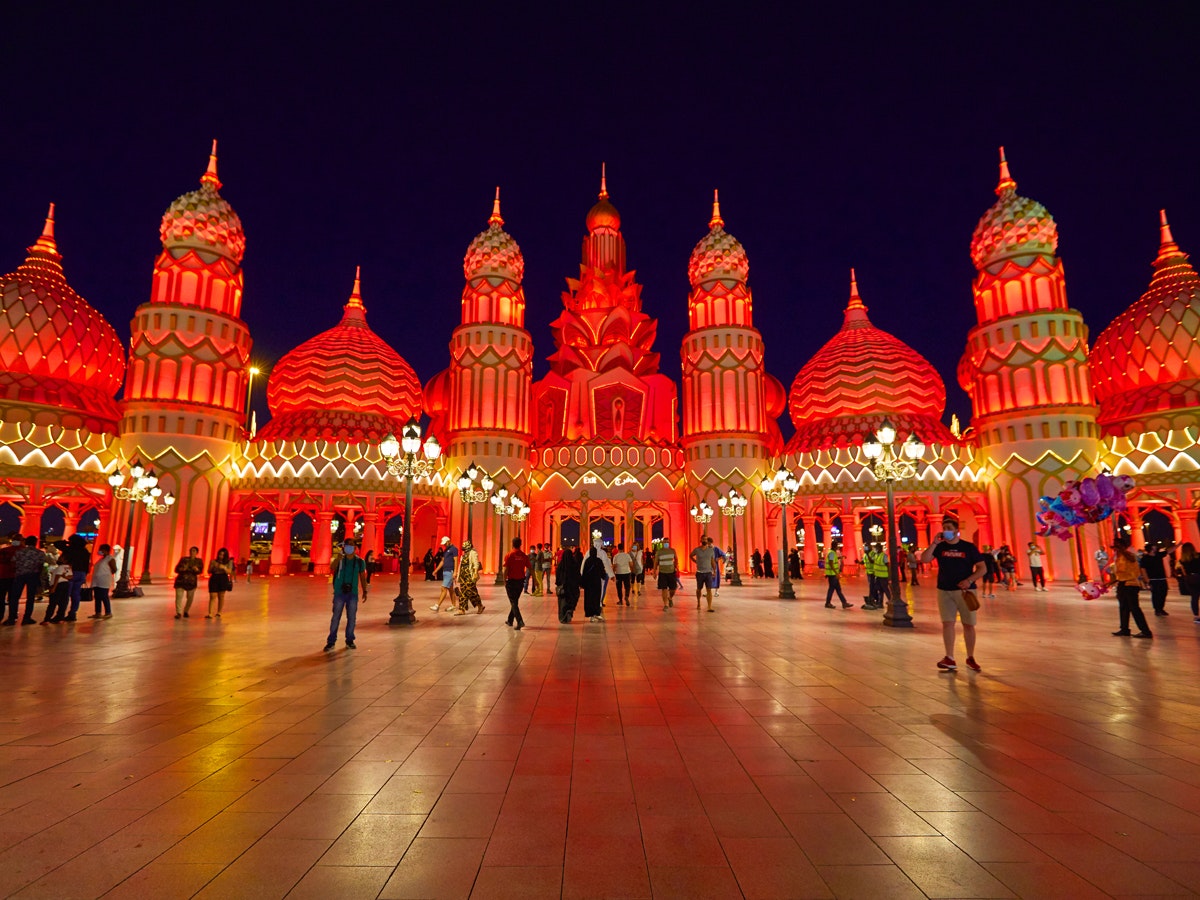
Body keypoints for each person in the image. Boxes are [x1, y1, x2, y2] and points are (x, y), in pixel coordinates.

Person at [922, 516, 988, 672]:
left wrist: (969, 580)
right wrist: (934, 543)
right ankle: (949, 657)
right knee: (947, 623)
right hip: (944, 590)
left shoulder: (968, 547)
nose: (946, 532)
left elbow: (982, 568)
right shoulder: (940, 547)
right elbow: (925, 559)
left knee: (969, 624)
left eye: (949, 529)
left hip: (966, 591)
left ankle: (970, 656)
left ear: (957, 531)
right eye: (944, 529)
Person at [325, 539, 367, 650]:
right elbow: (332, 568)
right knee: (335, 617)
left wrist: (365, 590)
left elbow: (363, 577)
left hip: (353, 593)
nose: (349, 547)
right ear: (344, 547)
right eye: (347, 545)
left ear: (355, 548)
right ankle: (331, 641)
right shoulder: (340, 559)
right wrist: (337, 559)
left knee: (352, 618)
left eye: (352, 545)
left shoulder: (360, 561)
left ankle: (350, 640)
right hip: (339, 592)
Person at [1111, 536, 1152, 638]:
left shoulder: (1129, 556)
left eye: (1116, 547)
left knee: (1134, 608)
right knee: (1123, 608)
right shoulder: (1119, 557)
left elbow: (1130, 569)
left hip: (1131, 584)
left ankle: (1145, 631)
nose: (1114, 549)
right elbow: (1120, 573)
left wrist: (1122, 550)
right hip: (1122, 584)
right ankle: (1124, 629)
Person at [7, 536, 44, 625]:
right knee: (30, 598)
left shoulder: (20, 552)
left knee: (14, 597)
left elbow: (13, 562)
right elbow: (41, 565)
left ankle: (12, 618)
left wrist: (17, 569)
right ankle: (26, 618)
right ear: (35, 542)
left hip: (19, 575)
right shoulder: (39, 553)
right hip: (33, 575)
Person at [1140, 540, 1174, 617]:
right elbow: (1143, 570)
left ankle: (1161, 608)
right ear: (1151, 549)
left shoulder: (1158, 555)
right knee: (1155, 595)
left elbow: (1169, 551)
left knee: (1163, 593)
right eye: (1154, 547)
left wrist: (1179, 544)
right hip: (1153, 580)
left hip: (1162, 578)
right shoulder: (1145, 558)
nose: (1156, 548)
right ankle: (1157, 609)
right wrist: (1147, 580)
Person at [502, 537, 529, 630]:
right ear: (520, 544)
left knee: (513, 602)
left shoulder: (509, 555)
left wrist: (504, 580)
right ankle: (510, 620)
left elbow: (506, 569)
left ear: (512, 544)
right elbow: (530, 568)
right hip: (520, 582)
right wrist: (536, 581)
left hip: (512, 582)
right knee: (515, 601)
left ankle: (520, 621)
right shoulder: (524, 556)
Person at [63, 533, 91, 622]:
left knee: (66, 594)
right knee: (76, 594)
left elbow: (57, 544)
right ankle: (73, 613)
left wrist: (65, 543)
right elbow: (87, 564)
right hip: (81, 573)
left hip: (72, 572)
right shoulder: (85, 551)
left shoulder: (71, 550)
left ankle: (61, 613)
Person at [42, 543, 72, 624]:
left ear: (64, 559)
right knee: (63, 603)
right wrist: (64, 576)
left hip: (58, 586)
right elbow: (70, 577)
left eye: (61, 557)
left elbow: (57, 577)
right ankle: (60, 618)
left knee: (53, 603)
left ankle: (47, 619)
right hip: (66, 585)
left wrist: (53, 587)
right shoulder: (68, 567)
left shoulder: (60, 567)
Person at [88, 544, 117, 619]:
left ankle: (108, 612)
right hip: (97, 581)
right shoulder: (101, 559)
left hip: (104, 580)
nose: (100, 551)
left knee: (104, 596)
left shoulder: (110, 559)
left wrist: (106, 574)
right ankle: (98, 612)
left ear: (105, 550)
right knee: (97, 597)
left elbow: (114, 569)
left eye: (101, 550)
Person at [454, 540, 483, 615]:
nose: (463, 547)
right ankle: (462, 609)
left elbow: (476, 563)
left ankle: (480, 605)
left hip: (469, 576)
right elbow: (461, 566)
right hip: (463, 576)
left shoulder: (473, 553)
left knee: (471, 591)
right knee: (463, 592)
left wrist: (476, 572)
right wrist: (457, 574)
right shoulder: (463, 555)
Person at [430, 536, 458, 613]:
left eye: (445, 543)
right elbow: (442, 561)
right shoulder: (446, 550)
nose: (444, 545)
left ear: (449, 541)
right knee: (451, 590)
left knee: (443, 588)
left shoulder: (454, 549)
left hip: (450, 571)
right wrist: (436, 570)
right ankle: (453, 605)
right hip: (445, 571)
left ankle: (437, 606)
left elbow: (456, 561)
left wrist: (455, 572)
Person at [174, 547, 203, 618]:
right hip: (181, 580)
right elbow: (176, 569)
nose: (192, 552)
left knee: (190, 598)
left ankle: (186, 610)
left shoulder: (199, 561)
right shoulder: (184, 559)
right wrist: (183, 569)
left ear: (197, 552)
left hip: (191, 582)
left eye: (194, 551)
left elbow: (200, 571)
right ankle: (179, 612)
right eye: (191, 551)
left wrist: (196, 569)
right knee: (179, 597)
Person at [581, 541, 606, 622]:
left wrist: (583, 582)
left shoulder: (587, 561)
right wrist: (603, 577)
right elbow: (602, 571)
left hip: (589, 584)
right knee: (596, 598)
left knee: (589, 599)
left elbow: (584, 572)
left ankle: (590, 614)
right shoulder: (599, 561)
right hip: (596, 583)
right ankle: (596, 613)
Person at [555, 542, 581, 623]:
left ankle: (563, 618)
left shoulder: (561, 566)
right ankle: (570, 611)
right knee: (571, 601)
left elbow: (558, 577)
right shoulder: (574, 564)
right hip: (573, 588)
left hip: (564, 588)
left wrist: (559, 583)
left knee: (562, 603)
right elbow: (578, 575)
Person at [690, 535, 716, 611]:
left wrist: (714, 570)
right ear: (701, 540)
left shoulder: (711, 550)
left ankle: (709, 606)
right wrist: (695, 561)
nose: (704, 540)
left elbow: (712, 561)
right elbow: (691, 555)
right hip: (700, 573)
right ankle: (698, 602)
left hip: (708, 573)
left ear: (707, 541)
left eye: (706, 539)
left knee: (709, 589)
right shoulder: (697, 550)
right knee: (699, 589)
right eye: (703, 539)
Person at [207, 548, 233, 618]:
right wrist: (213, 567)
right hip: (214, 578)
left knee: (221, 596)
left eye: (223, 555)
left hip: (223, 578)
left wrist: (224, 567)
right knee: (212, 595)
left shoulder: (229, 562)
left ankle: (219, 612)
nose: (221, 556)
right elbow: (209, 571)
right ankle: (210, 613)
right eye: (220, 554)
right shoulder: (213, 561)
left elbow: (229, 571)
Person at [1177, 542, 1200, 623]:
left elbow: (1184, 571)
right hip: (1198, 576)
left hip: (1190, 579)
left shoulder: (1182, 560)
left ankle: (1196, 616)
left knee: (1194, 598)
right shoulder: (1198, 556)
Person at [653, 538, 678, 610]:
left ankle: (670, 598)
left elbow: (676, 559)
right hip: (662, 573)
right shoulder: (659, 552)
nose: (666, 543)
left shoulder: (672, 551)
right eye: (665, 542)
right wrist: (654, 572)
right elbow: (655, 562)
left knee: (673, 589)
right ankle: (665, 604)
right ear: (662, 543)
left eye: (667, 542)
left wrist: (676, 566)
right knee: (664, 589)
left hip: (671, 572)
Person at [824, 541, 851, 609]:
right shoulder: (832, 553)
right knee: (833, 589)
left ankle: (844, 602)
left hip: (832, 574)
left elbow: (833, 560)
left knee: (837, 589)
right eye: (837, 546)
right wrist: (836, 573)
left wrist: (840, 557)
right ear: (835, 546)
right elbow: (831, 563)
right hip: (832, 574)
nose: (837, 547)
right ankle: (828, 603)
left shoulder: (832, 553)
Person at [0, 533, 19, 621]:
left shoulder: (4, 550)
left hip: (3, 576)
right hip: (15, 577)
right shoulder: (22, 551)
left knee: (1, 598)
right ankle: (12, 616)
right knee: (13, 598)